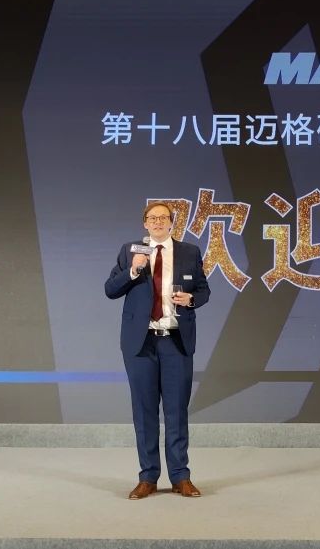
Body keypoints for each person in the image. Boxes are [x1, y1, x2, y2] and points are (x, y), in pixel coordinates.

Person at [104, 201, 209, 500]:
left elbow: (204, 290)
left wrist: (190, 299)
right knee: (144, 410)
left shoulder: (189, 252)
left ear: (172, 222)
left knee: (176, 411)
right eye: (153, 218)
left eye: (164, 217)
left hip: (176, 340)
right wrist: (133, 270)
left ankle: (180, 476)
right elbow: (110, 289)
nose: (158, 222)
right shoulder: (130, 251)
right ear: (145, 223)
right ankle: (148, 477)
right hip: (141, 342)